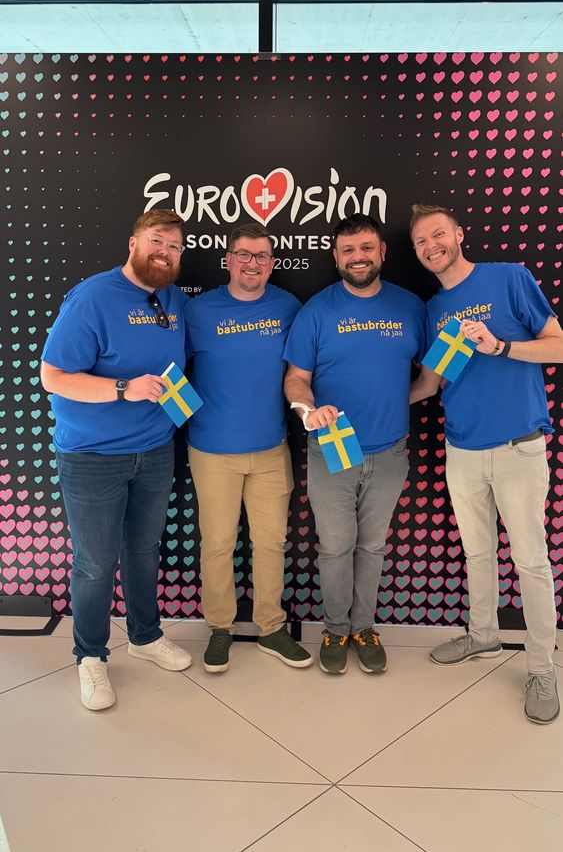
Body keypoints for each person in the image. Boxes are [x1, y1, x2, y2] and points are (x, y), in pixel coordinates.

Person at [409, 202, 563, 724]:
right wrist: (368, 411)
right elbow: (430, 384)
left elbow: (557, 347)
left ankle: (541, 667)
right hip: (462, 449)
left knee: (531, 561)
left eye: (438, 235)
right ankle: (483, 635)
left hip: (519, 445)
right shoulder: (433, 309)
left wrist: (499, 346)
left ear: (459, 234)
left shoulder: (510, 277)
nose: (431, 246)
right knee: (477, 552)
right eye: (421, 242)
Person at [40, 209, 193, 711]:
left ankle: (145, 637)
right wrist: (123, 388)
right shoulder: (92, 297)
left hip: (154, 450)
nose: (164, 252)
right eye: (156, 241)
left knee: (144, 550)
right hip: (92, 456)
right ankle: (90, 655)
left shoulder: (172, 298)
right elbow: (53, 376)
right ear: (133, 243)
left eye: (174, 246)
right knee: (94, 564)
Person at [283, 214, 426, 675]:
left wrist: (396, 400)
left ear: (382, 251)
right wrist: (308, 411)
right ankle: (335, 628)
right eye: (348, 250)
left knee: (372, 548)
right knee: (335, 548)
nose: (358, 257)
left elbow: (430, 377)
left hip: (390, 452)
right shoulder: (316, 311)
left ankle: (364, 628)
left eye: (366, 248)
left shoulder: (410, 306)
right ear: (336, 257)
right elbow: (296, 379)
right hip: (333, 449)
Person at [187, 223, 312, 673]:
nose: (252, 264)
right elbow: (167, 366)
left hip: (271, 450)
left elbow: (302, 369)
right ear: (228, 260)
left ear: (272, 263)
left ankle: (271, 628)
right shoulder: (198, 310)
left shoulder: (288, 307)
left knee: (271, 543)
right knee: (218, 543)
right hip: (211, 450)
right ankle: (220, 628)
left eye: (261, 256)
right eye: (243, 254)